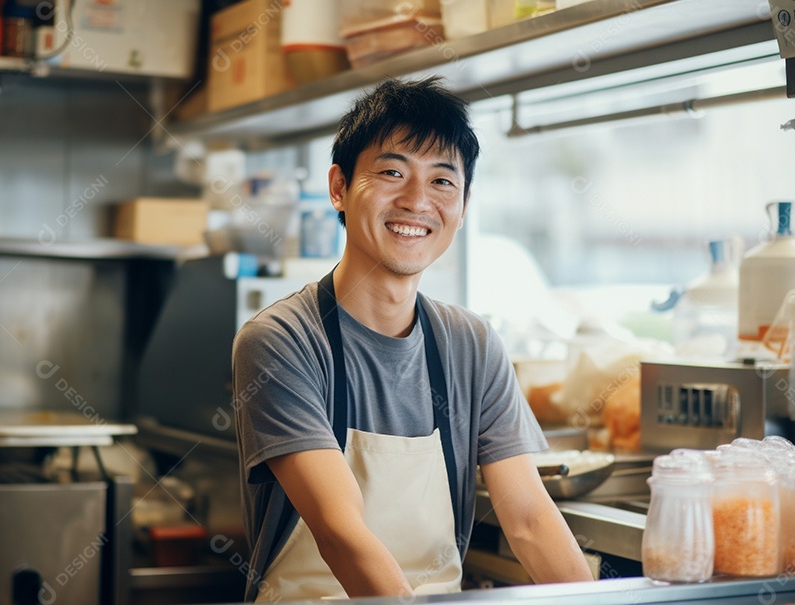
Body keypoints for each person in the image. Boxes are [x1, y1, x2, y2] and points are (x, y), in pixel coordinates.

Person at [232, 76, 593, 602]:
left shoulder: (471, 346)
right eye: (392, 172)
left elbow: (531, 521)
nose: (417, 200)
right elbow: (341, 534)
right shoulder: (281, 342)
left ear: (464, 205)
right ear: (339, 187)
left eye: (443, 181)